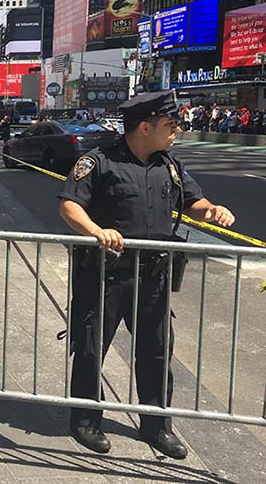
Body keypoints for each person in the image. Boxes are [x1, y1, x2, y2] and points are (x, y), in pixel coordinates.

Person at [58, 90, 235, 459]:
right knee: (92, 349)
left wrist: (213, 210)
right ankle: (85, 421)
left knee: (156, 353)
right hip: (106, 276)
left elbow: (193, 202)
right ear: (144, 126)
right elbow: (70, 206)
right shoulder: (99, 162)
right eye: (170, 125)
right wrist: (96, 231)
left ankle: (157, 425)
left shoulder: (168, 164)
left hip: (153, 277)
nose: (177, 130)